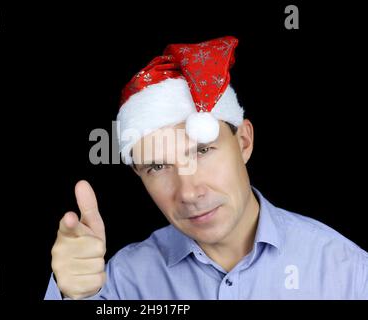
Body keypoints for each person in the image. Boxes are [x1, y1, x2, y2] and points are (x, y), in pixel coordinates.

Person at [45, 36, 368, 300]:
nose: (189, 192)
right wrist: (71, 297)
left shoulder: (346, 270)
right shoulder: (122, 282)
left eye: (202, 151)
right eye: (157, 166)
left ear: (243, 142)